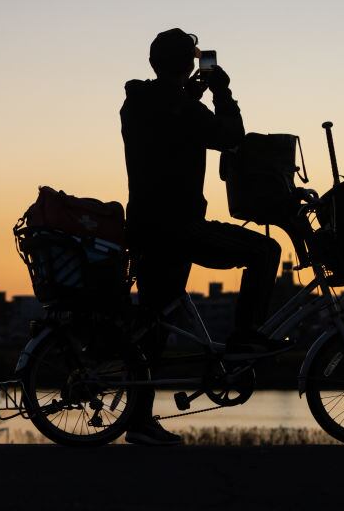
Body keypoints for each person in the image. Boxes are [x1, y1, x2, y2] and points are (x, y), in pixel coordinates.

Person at [120, 29, 283, 446]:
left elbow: (169, 122)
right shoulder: (183, 109)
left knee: (156, 322)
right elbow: (232, 137)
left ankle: (138, 421)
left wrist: (189, 93)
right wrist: (222, 92)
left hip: (145, 227)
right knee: (265, 250)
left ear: (154, 63)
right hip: (180, 226)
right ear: (188, 64)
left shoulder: (136, 103)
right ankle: (245, 338)